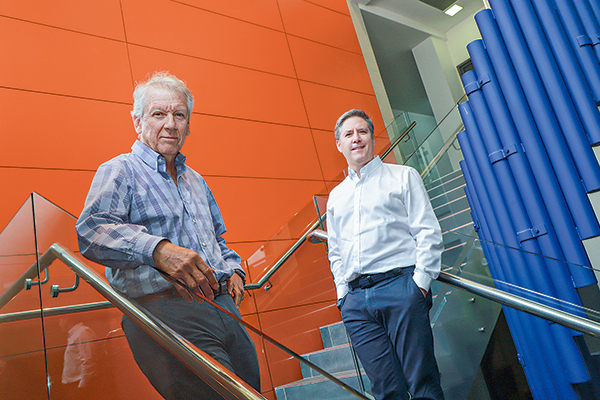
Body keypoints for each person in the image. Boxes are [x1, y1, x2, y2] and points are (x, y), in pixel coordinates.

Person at [76, 72, 260, 400]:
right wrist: (158, 250)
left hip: (224, 308)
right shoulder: (120, 171)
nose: (171, 124)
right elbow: (92, 231)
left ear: (189, 125)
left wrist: (234, 269)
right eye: (159, 114)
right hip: (165, 311)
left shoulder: (196, 180)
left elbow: (218, 239)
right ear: (137, 121)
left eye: (179, 115)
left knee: (252, 395)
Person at [326, 109, 445, 400]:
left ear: (372, 138)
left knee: (423, 385)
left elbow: (428, 232)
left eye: (362, 132)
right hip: (356, 302)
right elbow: (336, 251)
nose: (356, 139)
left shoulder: (403, 176)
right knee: (385, 391)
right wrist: (343, 294)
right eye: (349, 134)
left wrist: (419, 285)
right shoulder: (336, 196)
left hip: (401, 289)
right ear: (339, 144)